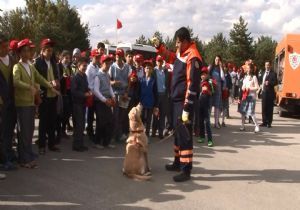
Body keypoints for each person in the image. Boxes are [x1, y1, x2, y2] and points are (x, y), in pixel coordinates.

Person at [152, 26, 202, 182]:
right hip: (175, 100)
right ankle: (177, 162)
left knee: (185, 136)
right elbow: (170, 56)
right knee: (177, 133)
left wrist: (187, 107)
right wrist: (159, 46)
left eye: (178, 42)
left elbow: (192, 84)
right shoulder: (182, 53)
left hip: (183, 102)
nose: (176, 45)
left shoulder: (193, 56)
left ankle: (186, 169)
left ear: (186, 41)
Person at [13, 38, 58, 168]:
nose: (29, 53)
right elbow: (15, 81)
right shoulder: (17, 66)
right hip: (22, 104)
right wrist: (29, 87)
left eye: (30, 50)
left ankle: (28, 154)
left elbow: (40, 78)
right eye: (26, 51)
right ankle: (24, 159)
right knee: (24, 132)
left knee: (30, 130)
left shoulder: (31, 67)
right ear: (20, 53)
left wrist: (50, 86)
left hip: (31, 103)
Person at [34, 38, 61, 155]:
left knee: (52, 121)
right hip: (43, 96)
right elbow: (35, 80)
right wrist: (47, 85)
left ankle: (51, 144)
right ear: (43, 50)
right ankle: (41, 145)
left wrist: (57, 82)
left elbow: (57, 76)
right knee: (43, 122)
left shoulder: (54, 62)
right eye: (48, 50)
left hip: (53, 95)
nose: (50, 53)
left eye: (51, 50)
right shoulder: (37, 62)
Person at [0, 34, 17, 170]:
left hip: (11, 101)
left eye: (7, 46)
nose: (6, 49)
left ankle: (9, 154)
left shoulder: (11, 59)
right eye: (3, 47)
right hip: (1, 103)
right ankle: (3, 160)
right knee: (2, 132)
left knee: (9, 131)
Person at [109, 48, 132, 143]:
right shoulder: (112, 67)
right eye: (116, 56)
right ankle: (114, 136)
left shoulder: (127, 67)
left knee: (122, 116)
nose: (118, 58)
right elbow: (108, 81)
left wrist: (127, 92)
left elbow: (129, 81)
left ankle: (119, 134)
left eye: (119, 56)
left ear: (122, 57)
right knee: (115, 116)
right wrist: (113, 82)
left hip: (124, 95)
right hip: (115, 94)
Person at [94, 55, 116, 148]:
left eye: (109, 64)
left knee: (110, 122)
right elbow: (96, 90)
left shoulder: (107, 74)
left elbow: (109, 86)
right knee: (101, 123)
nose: (108, 66)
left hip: (108, 101)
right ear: (102, 63)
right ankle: (97, 143)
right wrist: (104, 100)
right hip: (100, 102)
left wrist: (113, 96)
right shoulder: (97, 75)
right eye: (106, 64)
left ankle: (106, 142)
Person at [71, 57, 92, 152]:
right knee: (79, 125)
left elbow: (86, 87)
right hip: (77, 104)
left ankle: (80, 144)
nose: (85, 68)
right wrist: (84, 94)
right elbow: (74, 92)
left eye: (86, 66)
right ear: (79, 66)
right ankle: (77, 145)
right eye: (83, 66)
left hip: (83, 103)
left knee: (82, 124)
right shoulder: (75, 77)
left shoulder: (84, 76)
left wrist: (89, 91)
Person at [152, 55, 170, 139]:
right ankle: (154, 131)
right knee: (155, 114)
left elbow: (168, 83)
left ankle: (160, 132)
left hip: (164, 95)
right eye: (158, 61)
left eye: (161, 61)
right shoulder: (153, 71)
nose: (159, 63)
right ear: (156, 62)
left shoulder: (165, 71)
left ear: (162, 62)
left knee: (162, 114)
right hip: (156, 95)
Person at [139, 60, 159, 137]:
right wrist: (139, 101)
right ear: (144, 69)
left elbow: (155, 93)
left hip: (150, 102)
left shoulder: (153, 80)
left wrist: (156, 105)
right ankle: (141, 134)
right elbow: (138, 91)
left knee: (149, 119)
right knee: (142, 118)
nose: (148, 69)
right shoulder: (141, 79)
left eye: (150, 68)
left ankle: (147, 134)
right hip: (142, 102)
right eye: (147, 68)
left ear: (152, 70)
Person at [238, 64, 260, 132]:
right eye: (247, 68)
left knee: (251, 112)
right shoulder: (245, 77)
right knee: (243, 112)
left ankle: (256, 126)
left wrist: (249, 88)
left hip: (251, 97)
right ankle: (242, 126)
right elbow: (243, 86)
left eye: (249, 68)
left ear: (252, 69)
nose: (248, 70)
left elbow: (257, 87)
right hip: (245, 96)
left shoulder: (254, 77)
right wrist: (243, 87)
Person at [85, 49, 100, 140]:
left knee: (96, 114)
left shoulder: (97, 67)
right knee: (90, 115)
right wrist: (89, 92)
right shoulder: (89, 68)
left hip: (96, 94)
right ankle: (89, 131)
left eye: (98, 57)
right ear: (92, 57)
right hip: (91, 94)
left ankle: (93, 131)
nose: (97, 58)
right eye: (96, 57)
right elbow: (87, 82)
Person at [197, 66, 214, 147]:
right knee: (200, 121)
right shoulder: (200, 82)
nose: (203, 76)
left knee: (207, 122)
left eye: (204, 74)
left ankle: (210, 140)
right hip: (200, 104)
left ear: (207, 75)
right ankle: (202, 136)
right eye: (202, 74)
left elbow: (212, 93)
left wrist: (207, 90)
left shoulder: (210, 82)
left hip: (206, 105)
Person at [58, 50, 73, 135]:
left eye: (69, 58)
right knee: (60, 113)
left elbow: (70, 76)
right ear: (62, 57)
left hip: (68, 92)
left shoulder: (69, 67)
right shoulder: (58, 66)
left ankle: (63, 130)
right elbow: (56, 78)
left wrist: (70, 78)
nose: (67, 60)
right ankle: (59, 131)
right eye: (66, 58)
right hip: (61, 92)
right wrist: (62, 77)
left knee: (67, 113)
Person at [209, 55, 225, 128]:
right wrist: (210, 81)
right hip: (211, 87)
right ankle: (208, 122)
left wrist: (221, 67)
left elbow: (222, 78)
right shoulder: (210, 67)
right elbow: (207, 76)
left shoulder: (220, 69)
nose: (217, 61)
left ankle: (216, 123)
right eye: (216, 59)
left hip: (218, 88)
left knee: (217, 106)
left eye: (218, 60)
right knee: (209, 106)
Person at [260, 61, 277, 128]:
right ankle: (264, 121)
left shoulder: (273, 73)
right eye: (266, 65)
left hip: (270, 93)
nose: (267, 66)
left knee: (269, 108)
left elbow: (275, 82)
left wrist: (269, 83)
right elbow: (261, 81)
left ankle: (269, 123)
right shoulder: (263, 73)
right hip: (264, 92)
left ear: (270, 66)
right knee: (263, 108)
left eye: (268, 65)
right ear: (264, 66)